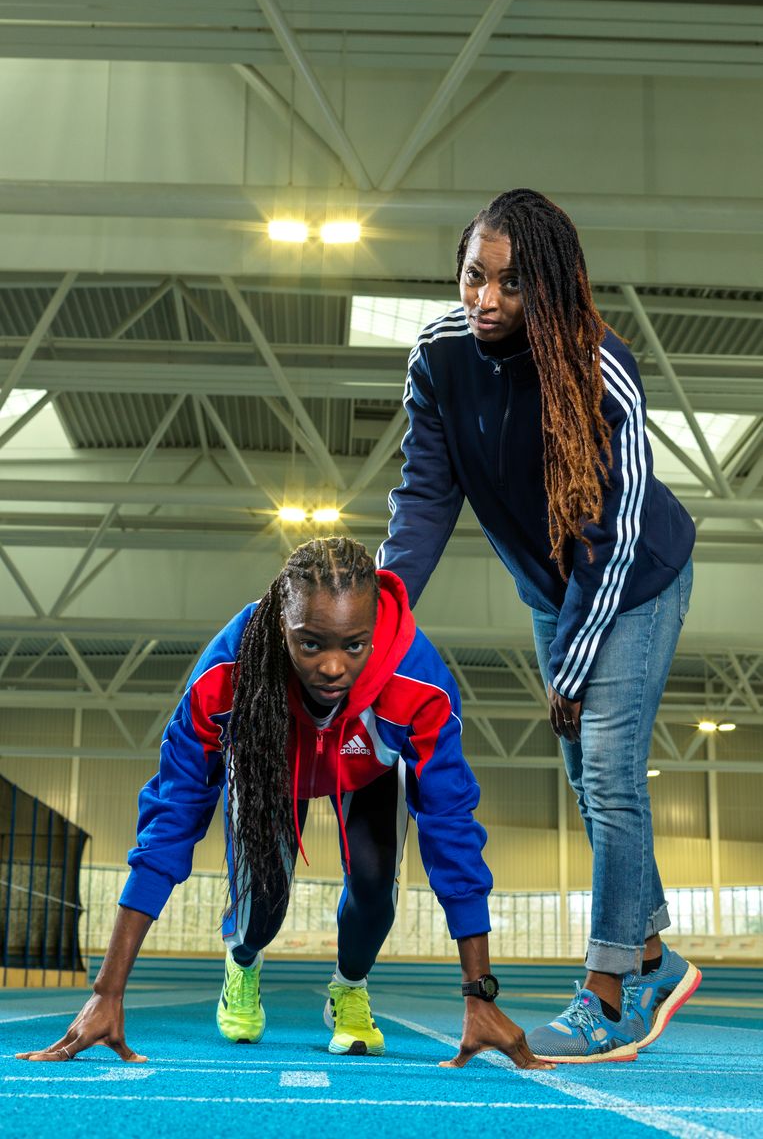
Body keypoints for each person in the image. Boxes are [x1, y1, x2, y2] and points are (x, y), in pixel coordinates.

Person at [17, 537, 550, 1071]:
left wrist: (480, 995)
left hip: (369, 773)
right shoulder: (227, 674)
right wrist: (108, 991)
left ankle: (350, 989)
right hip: (268, 763)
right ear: (280, 628)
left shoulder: (419, 684)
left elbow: (450, 823)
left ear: (374, 633)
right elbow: (171, 819)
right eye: (311, 644)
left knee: (374, 890)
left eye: (354, 645)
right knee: (261, 911)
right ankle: (242, 962)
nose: (334, 667)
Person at [377, 188, 701, 1063]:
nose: (485, 299)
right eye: (473, 277)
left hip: (634, 579)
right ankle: (651, 951)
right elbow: (423, 498)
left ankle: (611, 993)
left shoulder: (601, 370)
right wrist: (378, 616)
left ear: (549, 290)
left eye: (511, 285)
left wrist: (572, 663)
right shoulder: (440, 356)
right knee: (581, 771)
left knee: (606, 767)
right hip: (550, 591)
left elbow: (615, 532)